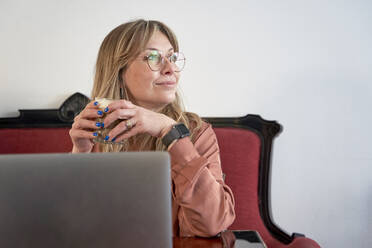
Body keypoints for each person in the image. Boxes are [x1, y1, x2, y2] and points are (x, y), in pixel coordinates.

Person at [69, 19, 235, 237]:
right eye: (154, 57)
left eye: (172, 57)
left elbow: (213, 223)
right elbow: (70, 228)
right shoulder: (98, 132)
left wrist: (170, 132)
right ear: (119, 73)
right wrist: (79, 156)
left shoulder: (195, 132)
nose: (170, 69)